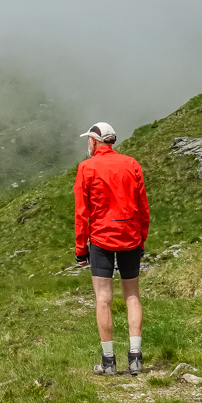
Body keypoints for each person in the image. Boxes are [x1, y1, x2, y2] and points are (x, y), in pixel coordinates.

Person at [73, 122, 150, 375]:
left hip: (101, 239)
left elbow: (81, 212)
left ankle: (108, 362)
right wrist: (141, 240)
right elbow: (143, 208)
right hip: (130, 236)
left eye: (89, 140)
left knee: (103, 299)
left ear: (94, 141)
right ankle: (136, 358)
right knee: (132, 296)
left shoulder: (86, 167)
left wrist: (80, 249)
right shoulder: (132, 164)